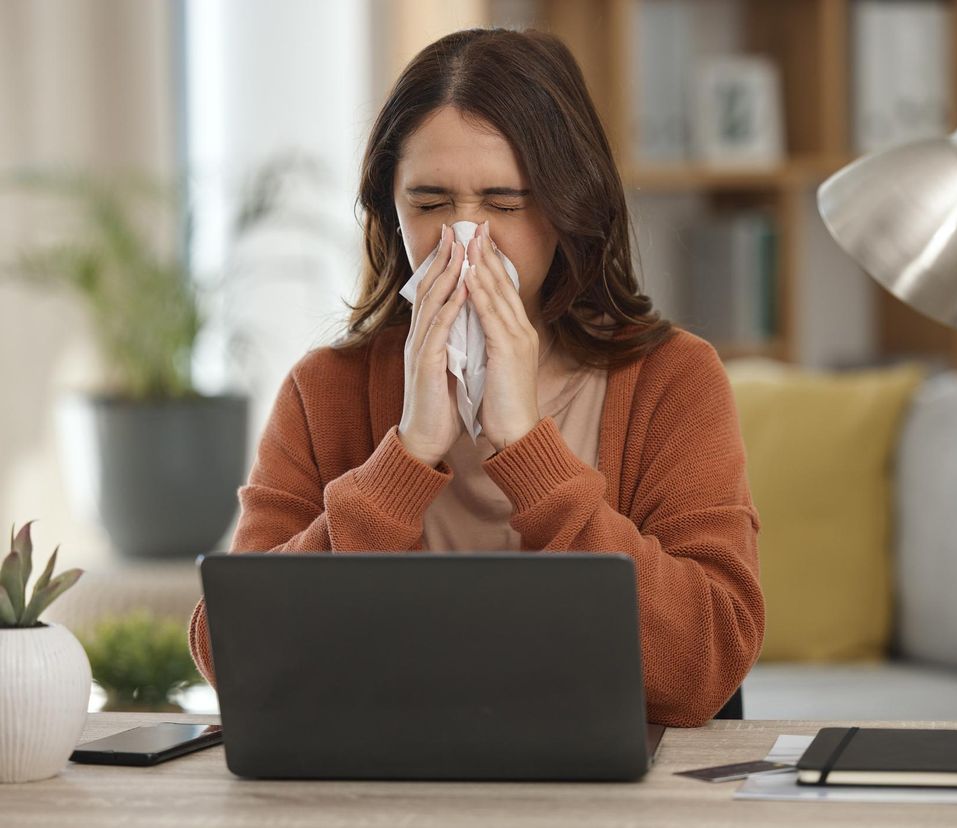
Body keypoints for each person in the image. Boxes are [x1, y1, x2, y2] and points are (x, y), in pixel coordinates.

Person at [188, 27, 764, 728]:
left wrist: (528, 449)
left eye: (504, 203)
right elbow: (233, 659)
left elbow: (707, 663)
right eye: (429, 206)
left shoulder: (674, 380)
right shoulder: (324, 392)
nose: (466, 240)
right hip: (380, 783)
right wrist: (404, 456)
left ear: (567, 210)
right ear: (389, 212)